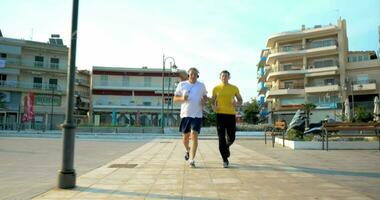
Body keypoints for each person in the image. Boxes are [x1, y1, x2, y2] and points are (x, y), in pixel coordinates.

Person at [174, 67, 207, 168]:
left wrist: (204, 101)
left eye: (195, 74)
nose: (193, 75)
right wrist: (182, 98)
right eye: (191, 74)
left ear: (197, 75)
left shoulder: (201, 85)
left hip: (197, 115)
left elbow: (205, 96)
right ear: (188, 75)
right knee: (185, 139)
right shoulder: (182, 84)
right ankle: (187, 149)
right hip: (185, 114)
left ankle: (192, 160)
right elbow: (175, 99)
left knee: (194, 135)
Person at [212, 70, 242, 168]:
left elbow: (240, 100)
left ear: (229, 77)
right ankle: (225, 159)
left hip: (230, 115)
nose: (224, 77)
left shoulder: (234, 88)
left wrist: (236, 104)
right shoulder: (216, 88)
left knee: (232, 137)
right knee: (221, 138)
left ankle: (226, 147)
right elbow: (212, 102)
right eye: (222, 76)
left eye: (226, 76)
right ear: (220, 77)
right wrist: (214, 107)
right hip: (220, 115)